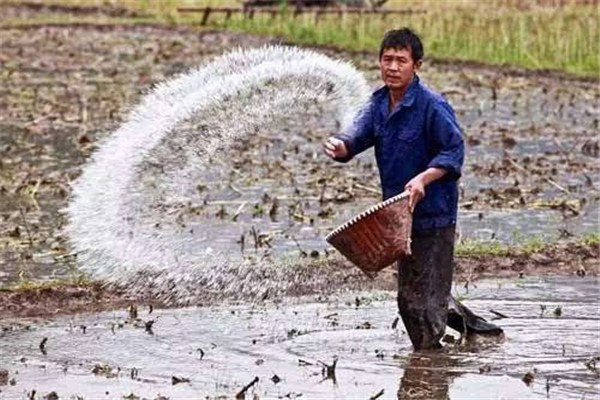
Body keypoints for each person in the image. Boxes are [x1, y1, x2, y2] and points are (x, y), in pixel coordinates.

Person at [323, 28, 502, 350]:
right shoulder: (378, 104)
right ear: (379, 62)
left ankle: (429, 367)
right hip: (399, 217)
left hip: (433, 215)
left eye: (401, 61)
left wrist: (423, 179)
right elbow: (357, 135)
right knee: (421, 294)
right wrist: (342, 146)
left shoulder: (432, 106)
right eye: (387, 59)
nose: (392, 67)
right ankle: (477, 332)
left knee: (415, 302)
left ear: (416, 65)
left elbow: (452, 152)